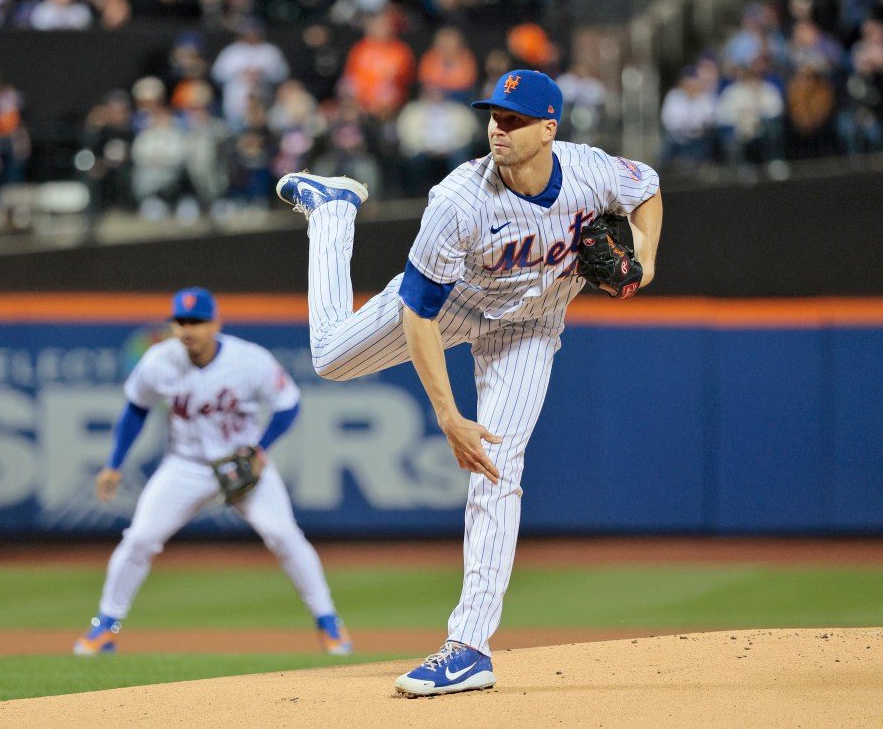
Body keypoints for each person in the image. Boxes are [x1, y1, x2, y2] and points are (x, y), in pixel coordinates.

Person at [275, 69, 662, 696]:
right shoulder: (459, 199)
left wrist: (644, 258)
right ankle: (334, 211)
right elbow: (418, 312)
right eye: (493, 117)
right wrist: (448, 415)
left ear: (548, 128)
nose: (498, 129)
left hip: (530, 326)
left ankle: (469, 648)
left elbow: (646, 185)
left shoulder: (590, 170)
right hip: (454, 304)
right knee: (328, 357)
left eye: (513, 120)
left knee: (498, 469)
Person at [74, 287, 352, 657]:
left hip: (241, 463)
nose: (188, 329)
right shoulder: (159, 360)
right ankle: (105, 627)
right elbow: (136, 409)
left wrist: (259, 448)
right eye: (181, 321)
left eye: (198, 322)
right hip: (185, 465)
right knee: (139, 538)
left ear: (215, 323)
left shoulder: (249, 360)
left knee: (283, 535)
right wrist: (114, 463)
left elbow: (288, 404)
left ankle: (328, 622)